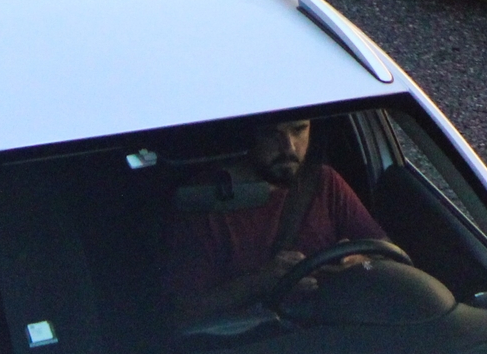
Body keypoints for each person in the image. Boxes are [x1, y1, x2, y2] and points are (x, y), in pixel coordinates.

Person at [162, 116, 388, 321]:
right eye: (272, 133)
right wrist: (259, 282)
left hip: (333, 331)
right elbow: (184, 308)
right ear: (246, 136)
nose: (289, 147)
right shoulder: (206, 202)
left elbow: (389, 256)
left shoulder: (324, 183)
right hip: (252, 350)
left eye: (299, 129)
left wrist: (360, 264)